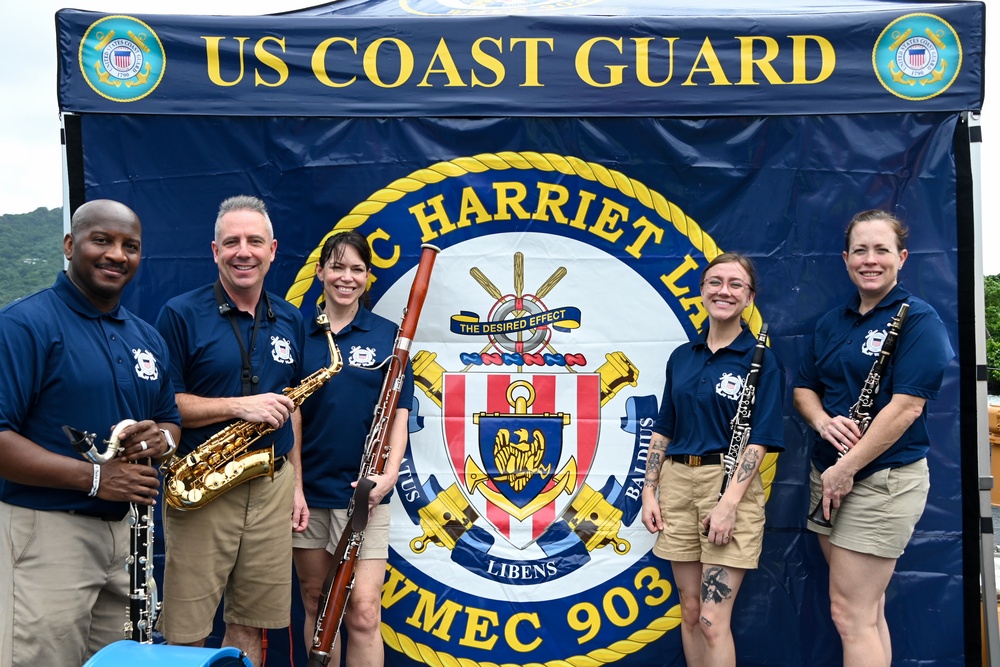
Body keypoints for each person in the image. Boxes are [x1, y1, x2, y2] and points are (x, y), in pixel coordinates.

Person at [0, 199, 181, 667]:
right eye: (102, 240)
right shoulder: (24, 324)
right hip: (47, 533)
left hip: (127, 539)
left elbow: (168, 418)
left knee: (123, 660)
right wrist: (98, 479)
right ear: (69, 244)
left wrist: (161, 440)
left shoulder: (147, 336)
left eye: (130, 246)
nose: (117, 254)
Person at [793, 209, 953, 667]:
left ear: (901, 257)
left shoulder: (919, 319)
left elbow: (907, 407)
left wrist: (847, 467)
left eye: (881, 249)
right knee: (866, 611)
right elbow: (804, 389)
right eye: (860, 250)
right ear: (845, 259)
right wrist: (823, 422)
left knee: (850, 614)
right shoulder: (832, 321)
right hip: (828, 473)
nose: (870, 259)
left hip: (879, 480)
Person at [154, 195, 308, 665]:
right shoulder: (180, 314)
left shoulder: (292, 318)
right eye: (232, 242)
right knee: (188, 628)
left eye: (254, 241)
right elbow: (166, 404)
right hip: (205, 483)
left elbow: (291, 406)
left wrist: (297, 484)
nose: (244, 251)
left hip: (272, 482)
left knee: (250, 622)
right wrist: (240, 407)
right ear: (214, 250)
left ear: (273, 250)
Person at [641, 252, 785, 667]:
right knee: (689, 610)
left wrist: (728, 504)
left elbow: (759, 439)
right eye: (715, 281)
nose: (724, 290)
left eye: (735, 284)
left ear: (749, 297)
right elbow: (665, 426)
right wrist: (650, 492)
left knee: (710, 619)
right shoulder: (682, 357)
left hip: (728, 488)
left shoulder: (762, 361)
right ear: (702, 290)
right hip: (676, 484)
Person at [294, 231, 413, 666]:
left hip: (366, 493)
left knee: (362, 612)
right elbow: (291, 413)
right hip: (306, 495)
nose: (346, 278)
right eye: (338, 267)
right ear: (321, 271)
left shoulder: (389, 336)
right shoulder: (297, 332)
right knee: (316, 604)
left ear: (368, 277)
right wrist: (295, 488)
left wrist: (391, 474)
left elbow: (400, 412)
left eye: (357, 269)